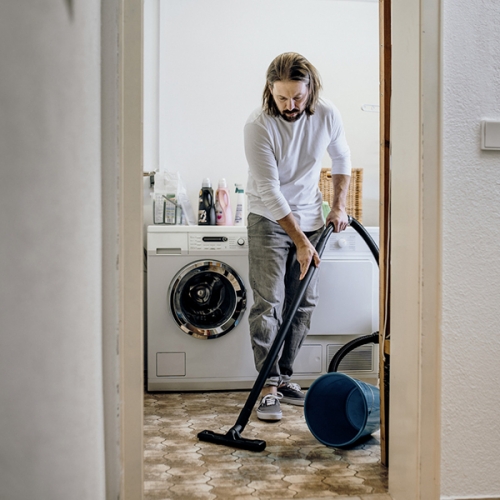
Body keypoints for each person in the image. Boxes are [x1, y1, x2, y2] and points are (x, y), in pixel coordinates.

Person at [244, 52, 351, 421]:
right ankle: (268, 388)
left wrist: (338, 207)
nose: (290, 106)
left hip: (311, 217)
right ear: (270, 92)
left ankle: (284, 376)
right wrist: (301, 242)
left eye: (297, 97)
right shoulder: (258, 125)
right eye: (281, 98)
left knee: (303, 303)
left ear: (311, 90)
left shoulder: (327, 114)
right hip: (268, 218)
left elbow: (341, 159)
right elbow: (270, 191)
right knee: (269, 304)